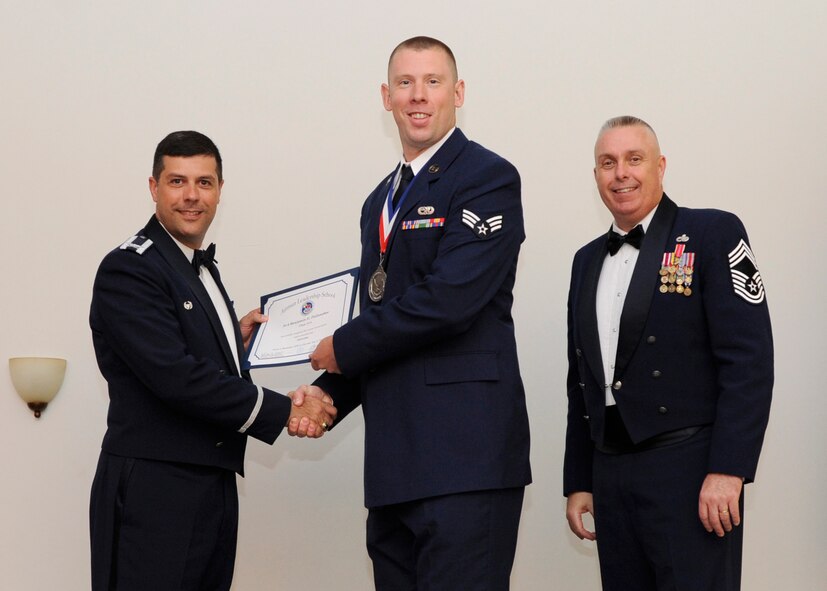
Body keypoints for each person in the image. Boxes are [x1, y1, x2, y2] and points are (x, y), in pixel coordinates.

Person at [299, 37, 532, 590]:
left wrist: (344, 346)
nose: (418, 96)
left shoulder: (487, 177)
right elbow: (383, 314)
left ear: (459, 92)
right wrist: (326, 393)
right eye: (405, 83)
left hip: (464, 461)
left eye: (432, 81)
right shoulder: (379, 200)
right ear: (386, 96)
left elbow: (448, 302)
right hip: (393, 465)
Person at [88, 130, 336, 591]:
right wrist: (287, 410)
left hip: (210, 480)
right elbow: (176, 377)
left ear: (220, 189)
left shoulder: (194, 266)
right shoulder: (130, 267)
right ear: (153, 187)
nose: (191, 196)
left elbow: (183, 352)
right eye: (177, 181)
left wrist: (231, 342)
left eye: (204, 182)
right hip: (156, 487)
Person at [563, 116, 773, 590]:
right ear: (595, 174)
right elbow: (581, 377)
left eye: (634, 159)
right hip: (610, 472)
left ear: (660, 166)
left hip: (690, 472)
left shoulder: (712, 233)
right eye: (607, 163)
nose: (621, 174)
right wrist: (579, 478)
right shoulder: (585, 260)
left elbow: (749, 361)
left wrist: (729, 469)